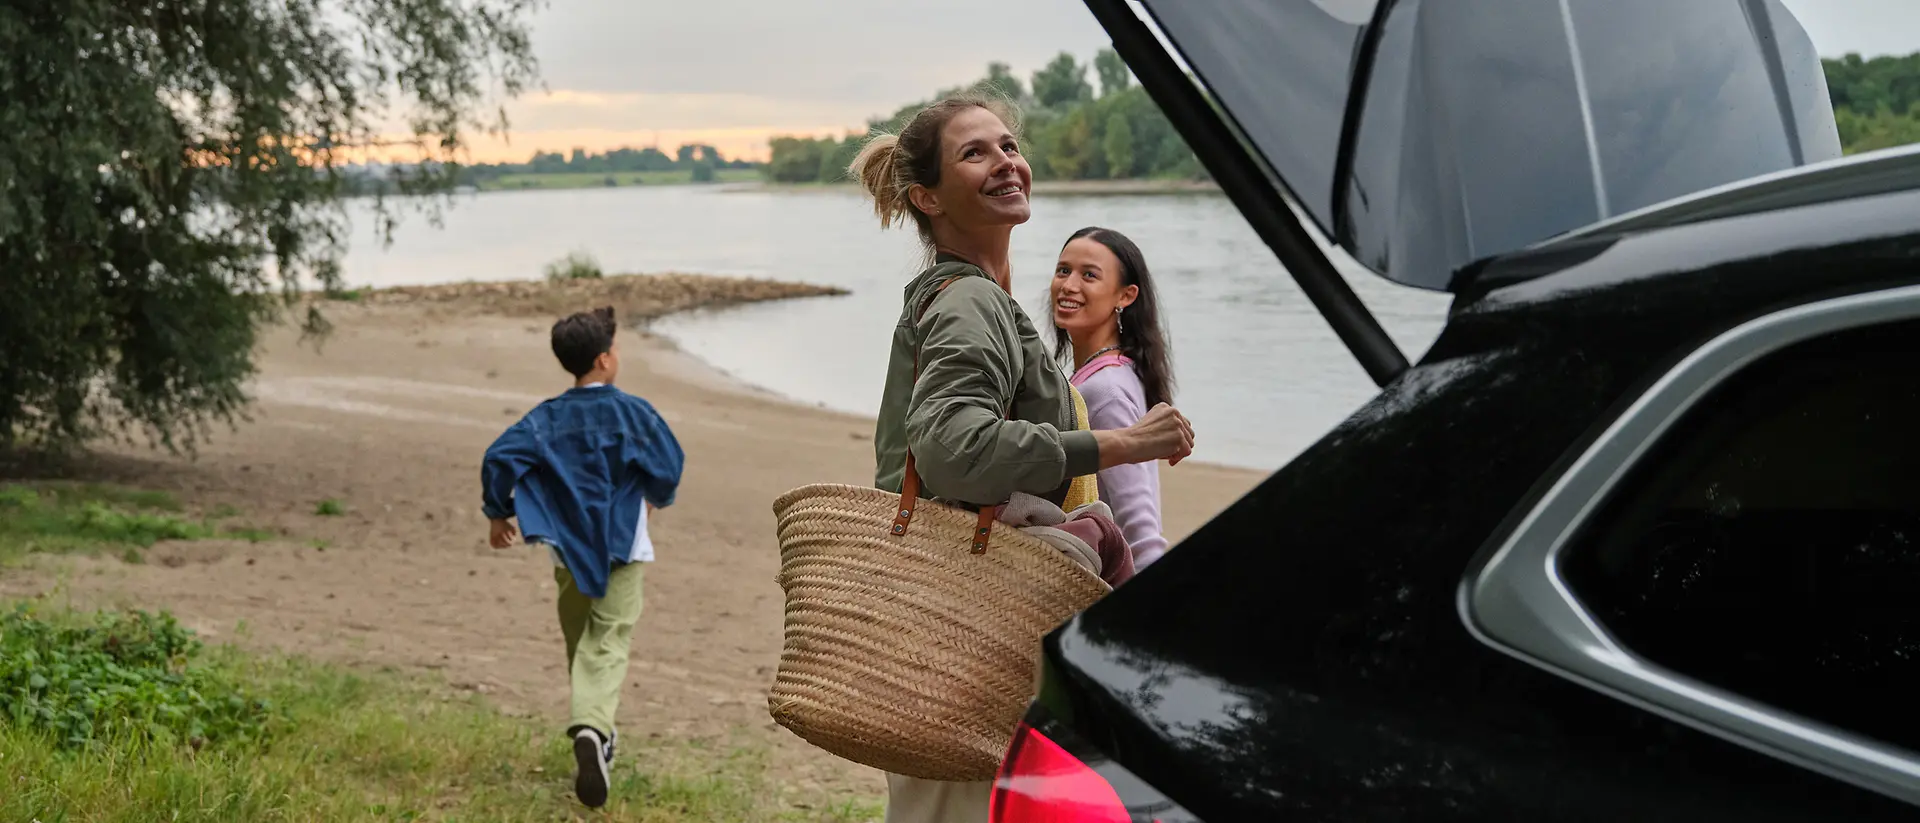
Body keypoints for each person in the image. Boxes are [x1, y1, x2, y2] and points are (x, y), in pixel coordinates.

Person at [854, 91, 1195, 822]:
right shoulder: (969, 302)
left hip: (953, 620)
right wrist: (1119, 442)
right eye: (975, 152)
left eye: (1009, 145)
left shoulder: (980, 300)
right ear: (928, 196)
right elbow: (950, 450)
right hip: (968, 631)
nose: (1007, 161)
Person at [479, 306, 685, 810]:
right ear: (604, 360)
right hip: (622, 545)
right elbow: (669, 463)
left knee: (581, 639)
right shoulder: (635, 412)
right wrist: (653, 499)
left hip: (567, 548)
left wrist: (498, 513)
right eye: (615, 349)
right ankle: (593, 729)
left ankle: (600, 735)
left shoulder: (544, 418)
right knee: (608, 641)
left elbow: (497, 458)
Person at [1050, 227, 1176, 568]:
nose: (1069, 285)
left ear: (1126, 296)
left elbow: (1139, 526)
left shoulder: (1105, 390)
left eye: (1089, 275)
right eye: (1063, 270)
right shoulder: (1119, 371)